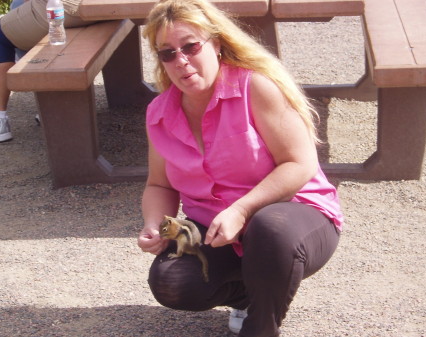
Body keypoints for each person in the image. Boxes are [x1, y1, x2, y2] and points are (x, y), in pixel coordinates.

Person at [137, 0, 344, 335]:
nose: (181, 60)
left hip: (292, 215)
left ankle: (262, 325)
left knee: (269, 229)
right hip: (217, 228)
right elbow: (159, 185)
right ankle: (254, 292)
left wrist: (242, 209)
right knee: (171, 281)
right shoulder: (159, 112)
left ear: (216, 45)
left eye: (190, 46)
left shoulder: (254, 86)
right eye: (168, 53)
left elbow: (299, 163)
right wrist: (153, 224)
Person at [0, 0, 95, 142]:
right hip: (104, 8)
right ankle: (47, 105)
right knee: (19, 10)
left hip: (75, 7)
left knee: (1, 34)